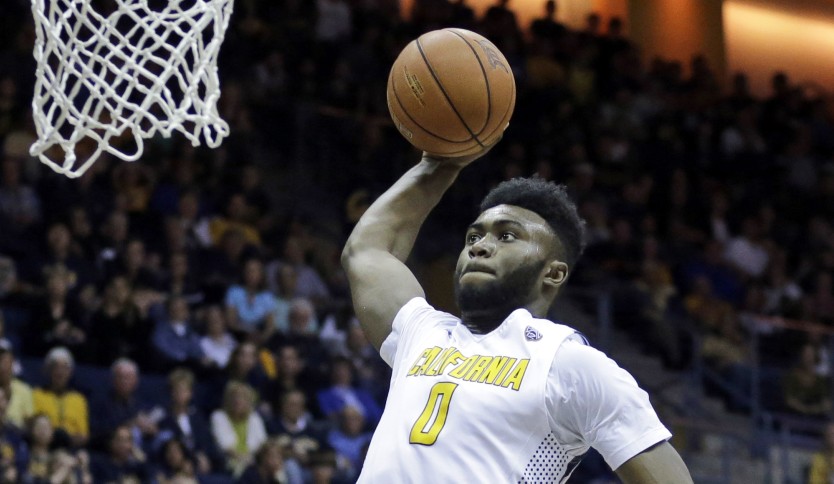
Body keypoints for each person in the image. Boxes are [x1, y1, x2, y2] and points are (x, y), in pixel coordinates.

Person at [340, 148, 693, 482]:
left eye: (506, 236)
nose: (479, 245)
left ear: (553, 273)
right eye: (473, 236)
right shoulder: (422, 333)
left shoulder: (570, 364)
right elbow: (366, 251)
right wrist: (438, 165)